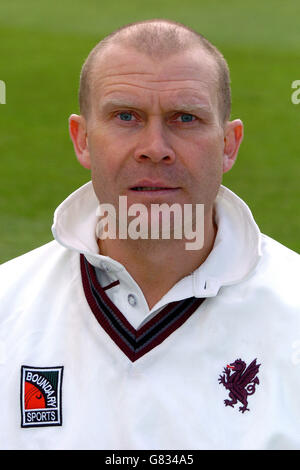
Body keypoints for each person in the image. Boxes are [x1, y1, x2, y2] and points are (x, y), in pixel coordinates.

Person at [0, 19, 299, 451]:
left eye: (185, 118)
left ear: (229, 144)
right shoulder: (7, 307)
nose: (155, 146)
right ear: (81, 139)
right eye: (126, 116)